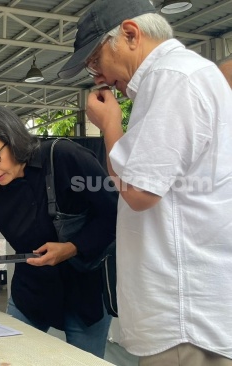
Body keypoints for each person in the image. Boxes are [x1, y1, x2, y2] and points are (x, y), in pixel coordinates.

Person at [58, 0, 232, 364]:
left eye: (94, 61)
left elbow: (137, 192)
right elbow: (128, 181)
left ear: (131, 35)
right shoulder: (172, 80)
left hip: (183, 316)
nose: (98, 77)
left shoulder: (173, 79)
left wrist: (108, 125)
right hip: (179, 310)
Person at [0, 104, 117, 358]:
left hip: (86, 290)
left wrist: (72, 248)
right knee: (11, 358)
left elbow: (113, 213)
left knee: (83, 363)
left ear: (12, 139)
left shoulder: (64, 157)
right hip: (31, 293)